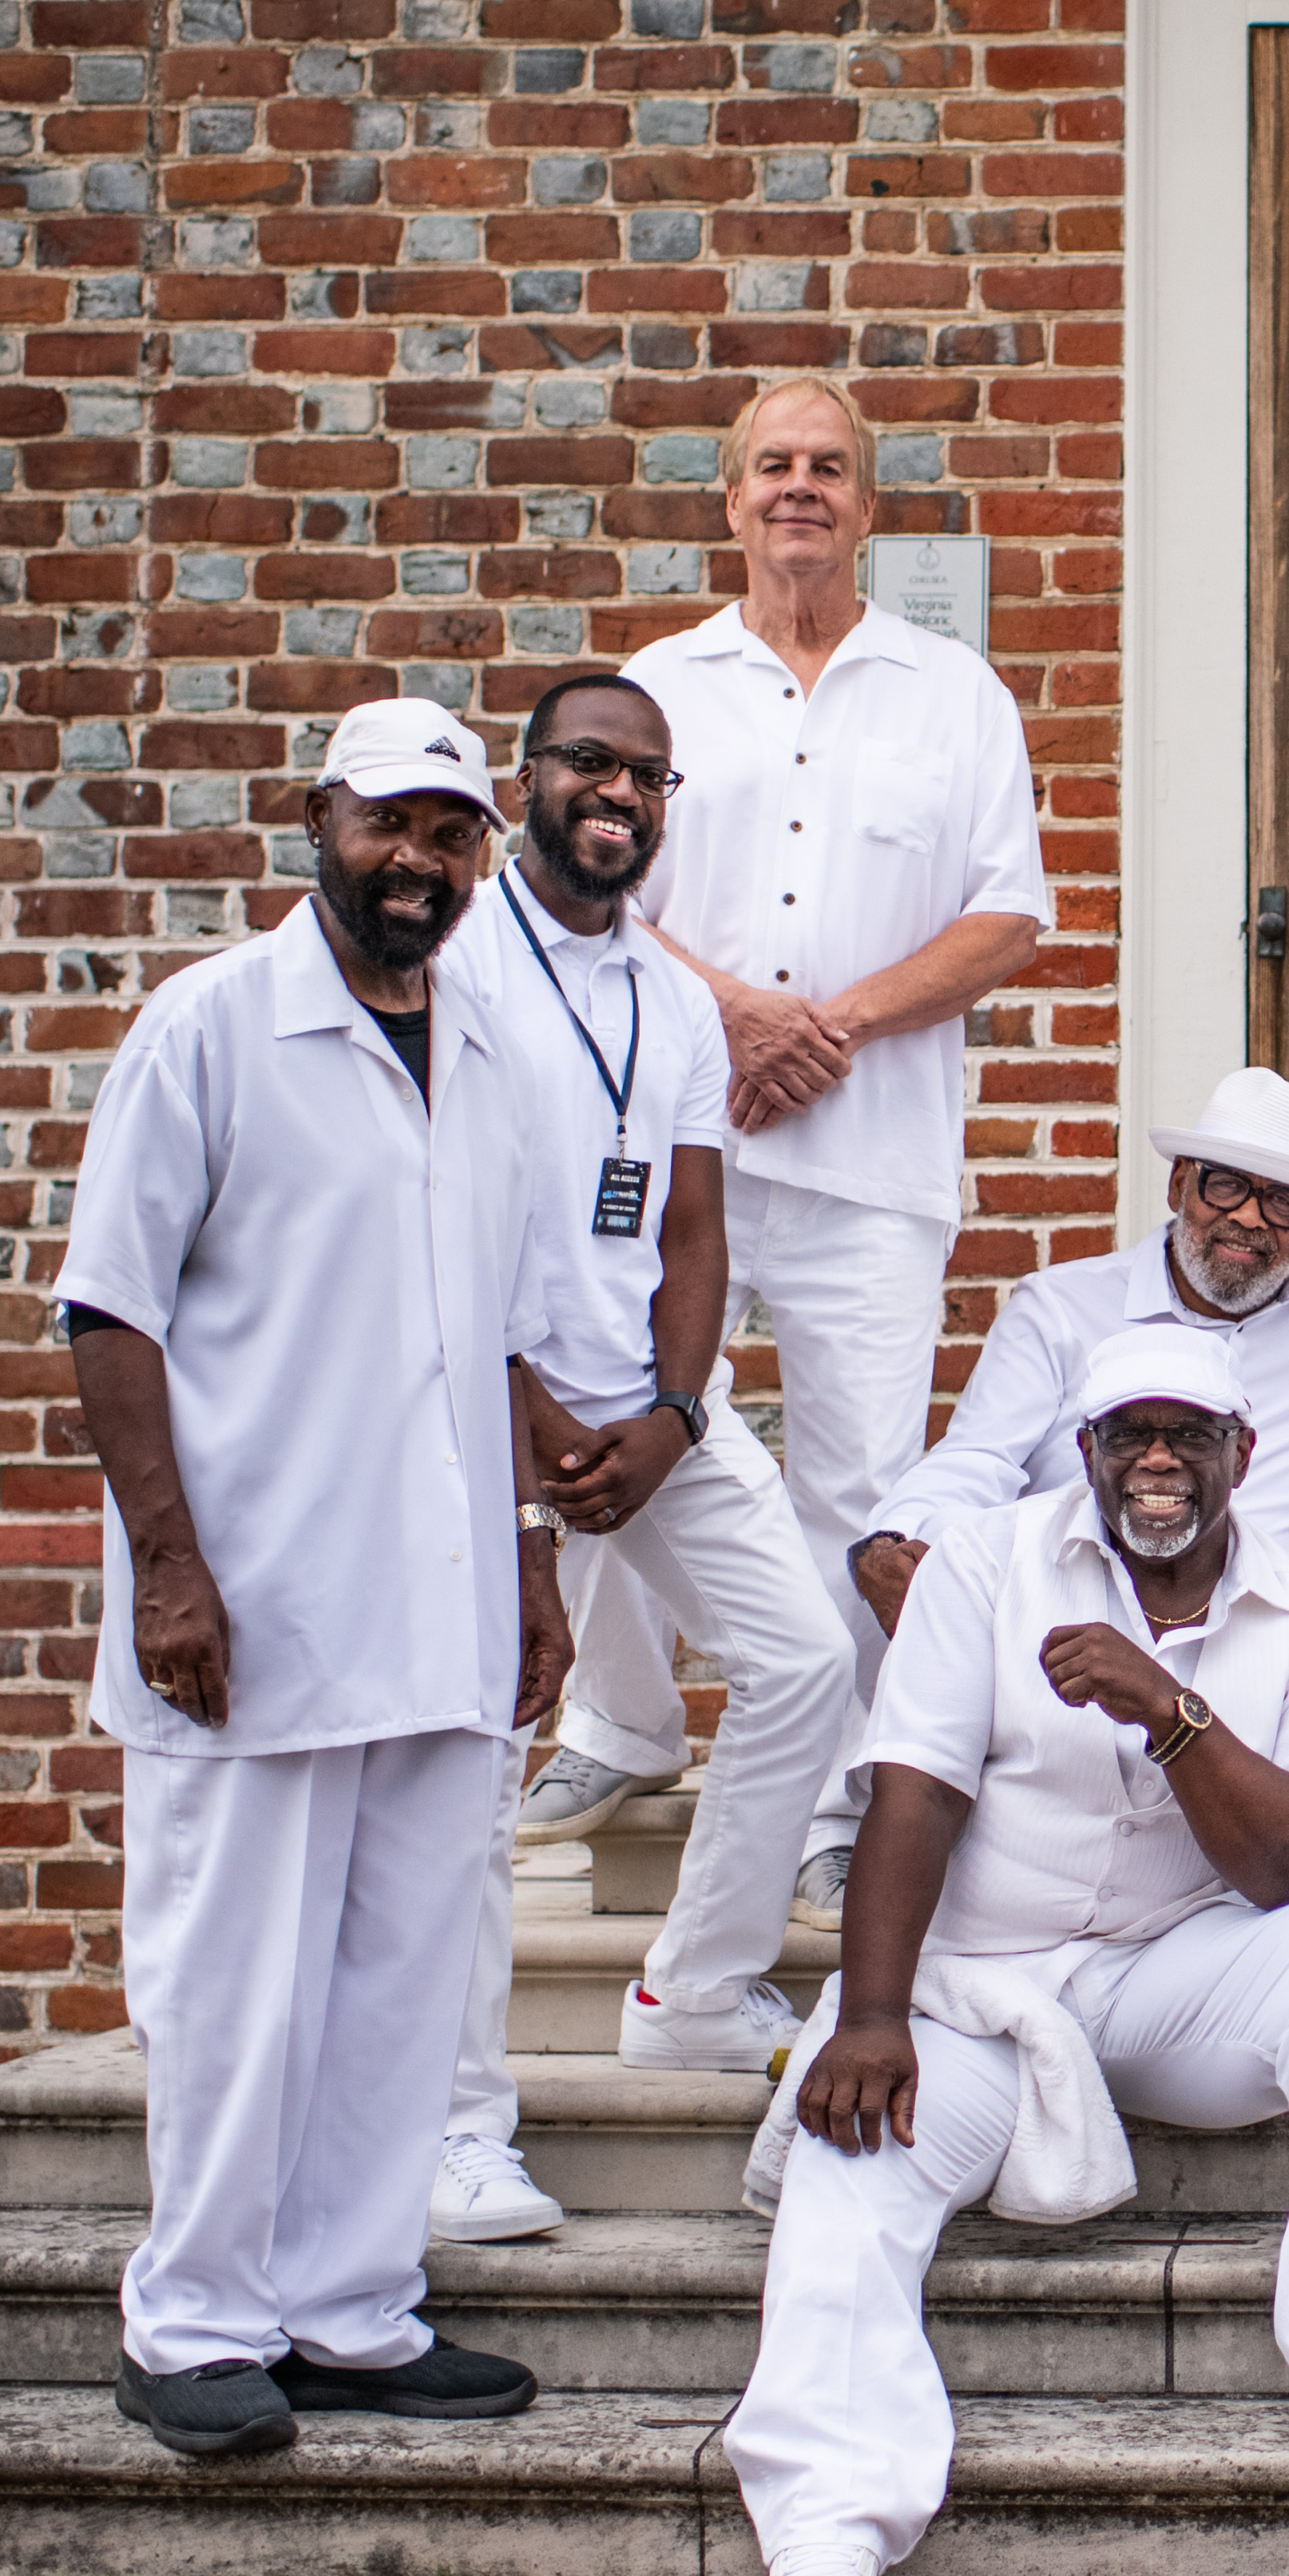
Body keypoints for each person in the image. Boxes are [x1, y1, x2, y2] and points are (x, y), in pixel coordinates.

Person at [725, 1330, 1289, 2576]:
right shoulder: (985, 1563)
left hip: (1166, 1986)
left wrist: (1173, 1712)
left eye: (1188, 1434)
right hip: (975, 1994)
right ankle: (828, 2531)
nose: (1156, 1459)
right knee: (855, 2158)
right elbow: (913, 1791)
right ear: (1083, 1450)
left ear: (1243, 1452)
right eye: (1128, 1433)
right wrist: (869, 2014)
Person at [54, 696, 565, 2458]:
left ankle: (352, 2310)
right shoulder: (209, 1028)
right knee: (234, 1986)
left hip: (443, 1603)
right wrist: (167, 1569)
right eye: (385, 823)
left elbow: (500, 1336)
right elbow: (107, 1309)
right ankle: (193, 2320)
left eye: (449, 832)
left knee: (401, 1982)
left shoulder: (488, 1053)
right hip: (255, 1602)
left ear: (482, 854)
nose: (415, 860)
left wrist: (535, 1568)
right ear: (317, 822)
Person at [565, 376, 1053, 1910]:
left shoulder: (953, 693)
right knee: (622, 1408)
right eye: (772, 465)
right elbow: (604, 894)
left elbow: (1007, 915)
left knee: (860, 1482)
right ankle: (623, 1721)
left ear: (867, 504)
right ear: (731, 500)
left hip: (873, 1162)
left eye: (828, 467)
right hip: (681, 1147)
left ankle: (843, 1797)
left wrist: (824, 1026)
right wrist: (737, 1017)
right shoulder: (660, 685)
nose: (800, 488)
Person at [431, 673, 859, 2245]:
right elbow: (435, 1214)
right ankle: (460, 2123)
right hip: (473, 1402)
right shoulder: (453, 962)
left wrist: (677, 1413)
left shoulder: (669, 998)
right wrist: (534, 1413)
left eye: (648, 778)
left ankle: (695, 1994)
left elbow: (690, 1226)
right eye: (591, 764)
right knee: (482, 1749)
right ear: (526, 780)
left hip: (651, 1406)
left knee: (806, 1662)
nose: (619, 795)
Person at [843, 1066, 1289, 1896]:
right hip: (1083, 1635)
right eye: (1226, 1184)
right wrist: (898, 1539)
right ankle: (857, 1829)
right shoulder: (1061, 1307)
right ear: (1178, 1186)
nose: (1250, 1217)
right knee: (899, 1547)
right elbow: (974, 1460)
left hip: (1274, 1660)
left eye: (1284, 1201)